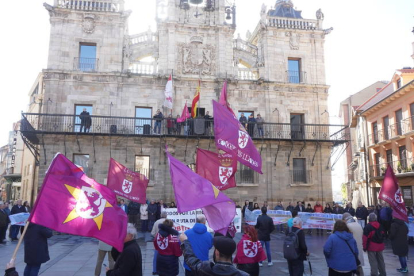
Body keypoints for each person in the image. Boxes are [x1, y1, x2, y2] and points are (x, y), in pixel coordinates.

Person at [179, 234, 249, 276]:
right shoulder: (243, 274)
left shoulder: (205, 270)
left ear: (217, 253)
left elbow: (191, 259)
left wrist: (185, 242)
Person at [151, 211, 168, 275]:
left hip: (158, 242)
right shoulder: (169, 222)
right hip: (167, 242)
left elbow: (152, 233)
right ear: (166, 216)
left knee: (156, 256)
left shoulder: (156, 222)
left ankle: (155, 270)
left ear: (161, 215)